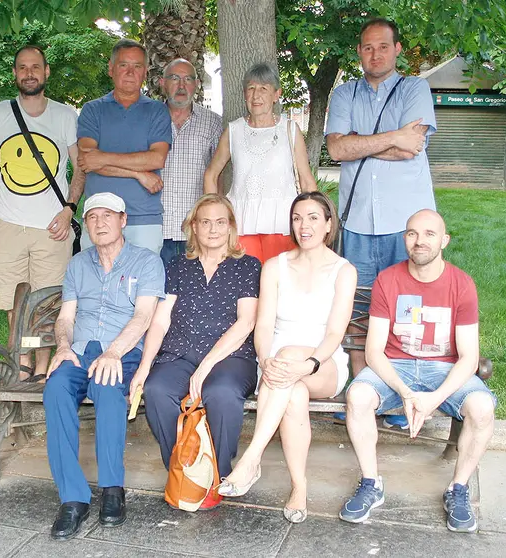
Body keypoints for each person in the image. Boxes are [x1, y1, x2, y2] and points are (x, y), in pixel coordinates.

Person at [339, 209, 495, 533]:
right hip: (396, 366)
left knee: (482, 408)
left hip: (445, 368)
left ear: (445, 241)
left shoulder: (462, 284)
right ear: (404, 239)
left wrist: (434, 398)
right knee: (357, 396)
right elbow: (373, 350)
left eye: (429, 234)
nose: (419, 240)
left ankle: (458, 489)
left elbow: (469, 357)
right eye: (412, 233)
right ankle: (371, 483)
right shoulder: (389, 280)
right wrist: (408, 394)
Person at [217, 191, 357, 524]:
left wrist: (307, 364)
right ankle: (299, 487)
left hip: (323, 364)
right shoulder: (274, 267)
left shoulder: (343, 270)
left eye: (312, 218)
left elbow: (335, 334)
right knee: (292, 391)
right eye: (297, 218)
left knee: (291, 357)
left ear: (327, 225)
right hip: (277, 369)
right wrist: (265, 360)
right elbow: (263, 324)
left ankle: (251, 458)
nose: (303, 225)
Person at [43, 192, 165, 540]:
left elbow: (144, 316)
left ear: (123, 220)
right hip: (80, 349)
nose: (99, 223)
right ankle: (73, 498)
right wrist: (63, 347)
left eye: (107, 216)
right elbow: (66, 317)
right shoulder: (78, 264)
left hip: (122, 349)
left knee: (108, 390)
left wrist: (112, 351)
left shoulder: (146, 262)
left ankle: (113, 488)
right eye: (92, 217)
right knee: (55, 390)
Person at [325, 18, 437, 392]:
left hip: (404, 226)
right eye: (368, 47)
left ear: (397, 49)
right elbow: (337, 149)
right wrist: (392, 138)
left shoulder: (415, 89)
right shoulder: (344, 95)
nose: (375, 54)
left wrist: (360, 142)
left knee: (408, 313)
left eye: (383, 47)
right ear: (358, 51)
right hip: (356, 222)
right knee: (357, 314)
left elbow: (412, 147)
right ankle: (362, 390)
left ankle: (404, 394)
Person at [133, 194, 261, 511]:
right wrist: (144, 366)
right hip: (180, 353)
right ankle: (184, 470)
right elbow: (161, 320)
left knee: (220, 391)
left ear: (231, 227)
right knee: (157, 389)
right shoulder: (178, 265)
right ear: (194, 226)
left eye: (220, 222)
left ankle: (219, 475)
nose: (213, 229)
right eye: (205, 222)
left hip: (231, 357)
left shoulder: (247, 266)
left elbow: (246, 322)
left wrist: (205, 366)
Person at [0, 45, 84, 381]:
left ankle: (42, 368)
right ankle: (22, 364)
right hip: (6, 225)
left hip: (51, 227)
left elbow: (81, 167)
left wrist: (69, 209)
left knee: (48, 302)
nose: (29, 73)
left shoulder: (65, 116)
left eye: (35, 67)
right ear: (14, 73)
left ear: (46, 71)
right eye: (22, 67)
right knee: (14, 303)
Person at [204, 62, 316, 264]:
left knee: (281, 286)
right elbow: (211, 174)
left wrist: (313, 220)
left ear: (276, 94)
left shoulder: (290, 130)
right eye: (251, 89)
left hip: (283, 223)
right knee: (245, 289)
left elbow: (307, 181)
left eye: (264, 89)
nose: (256, 96)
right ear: (245, 94)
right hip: (242, 223)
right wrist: (214, 215)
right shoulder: (234, 130)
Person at [76, 39, 172, 255]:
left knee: (142, 287)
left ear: (145, 72)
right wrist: (139, 175)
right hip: (99, 218)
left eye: (137, 66)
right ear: (111, 69)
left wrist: (104, 157)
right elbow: (89, 161)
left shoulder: (157, 111)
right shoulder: (92, 110)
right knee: (96, 287)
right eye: (123, 65)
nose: (130, 72)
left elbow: (156, 159)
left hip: (143, 219)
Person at [157, 59, 223, 267]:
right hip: (155, 228)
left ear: (196, 85)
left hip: (195, 230)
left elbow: (218, 173)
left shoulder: (212, 122)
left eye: (188, 79)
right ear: (162, 83)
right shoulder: (149, 118)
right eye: (175, 78)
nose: (182, 85)